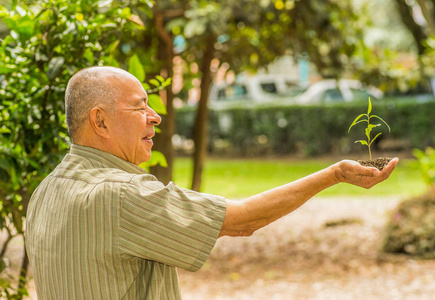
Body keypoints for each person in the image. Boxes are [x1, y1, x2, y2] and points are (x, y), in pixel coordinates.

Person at [25, 66, 398, 299]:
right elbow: (243, 219)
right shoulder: (121, 195)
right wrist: (333, 174)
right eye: (139, 107)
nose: (154, 117)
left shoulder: (45, 191)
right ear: (100, 121)